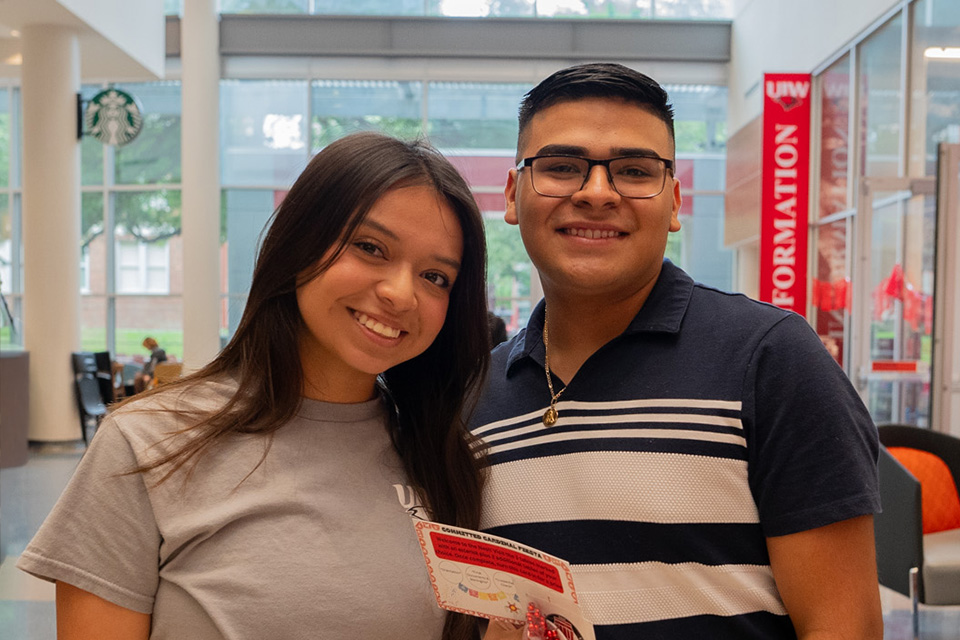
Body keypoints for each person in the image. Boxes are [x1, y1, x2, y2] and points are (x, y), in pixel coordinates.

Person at [19, 132, 495, 640]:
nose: (401, 293)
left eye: (435, 277)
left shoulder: (448, 461)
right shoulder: (149, 442)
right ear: (300, 244)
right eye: (370, 247)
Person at [468, 63, 883, 639]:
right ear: (513, 194)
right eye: (561, 168)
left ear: (675, 201)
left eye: (634, 171)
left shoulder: (771, 359)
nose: (595, 193)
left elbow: (845, 625)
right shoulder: (475, 398)